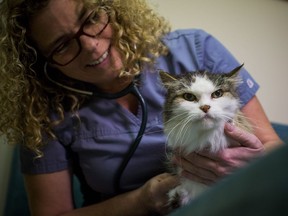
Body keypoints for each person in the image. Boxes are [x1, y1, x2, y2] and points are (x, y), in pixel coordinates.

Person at [0, 0, 282, 215]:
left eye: (91, 18)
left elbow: (273, 148)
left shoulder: (195, 49)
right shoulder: (41, 112)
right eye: (62, 45)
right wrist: (143, 198)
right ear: (40, 63)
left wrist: (248, 164)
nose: (91, 46)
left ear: (112, 8)